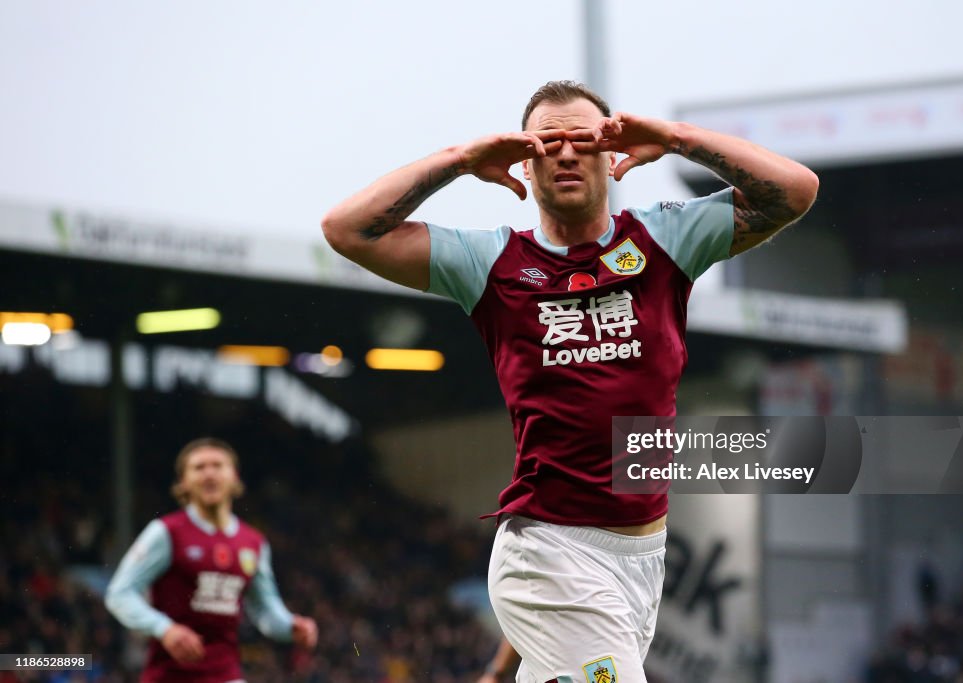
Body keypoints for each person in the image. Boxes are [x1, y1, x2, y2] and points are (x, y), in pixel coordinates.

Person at [321, 80, 818, 682]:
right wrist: (458, 160)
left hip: (641, 557)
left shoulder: (666, 240)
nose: (563, 153)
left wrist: (675, 138)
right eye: (544, 144)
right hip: (551, 550)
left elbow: (795, 191)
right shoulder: (490, 264)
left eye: (583, 140)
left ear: (614, 156)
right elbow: (348, 229)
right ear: (523, 169)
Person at [105, 438, 317, 683]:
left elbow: (264, 608)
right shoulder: (166, 532)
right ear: (183, 483)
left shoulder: (254, 543)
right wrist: (165, 628)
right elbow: (119, 593)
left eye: (217, 465)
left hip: (226, 675)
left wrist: (290, 626)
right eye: (199, 467)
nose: (209, 474)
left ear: (235, 477)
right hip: (168, 676)